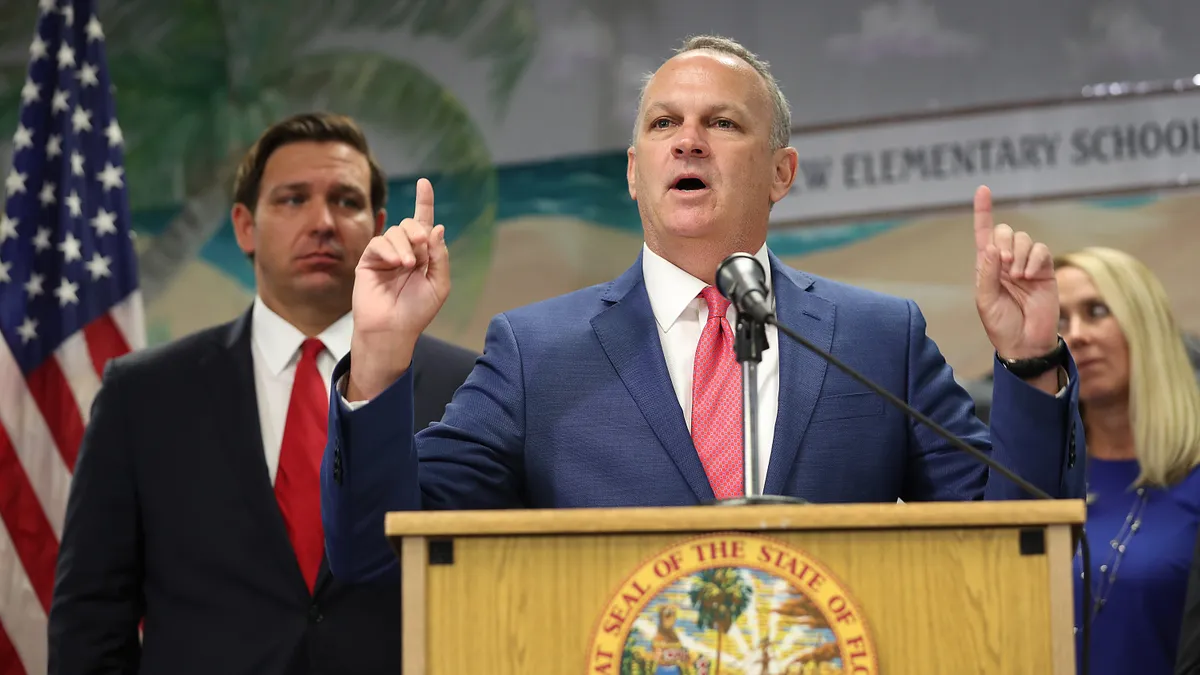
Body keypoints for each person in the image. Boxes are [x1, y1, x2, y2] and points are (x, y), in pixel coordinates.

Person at [320, 35, 1086, 585]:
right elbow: (374, 552)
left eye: (722, 123)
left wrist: (1028, 365)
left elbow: (1015, 542)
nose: (688, 141)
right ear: (632, 172)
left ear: (781, 171)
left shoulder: (879, 336)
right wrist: (381, 358)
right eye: (663, 124)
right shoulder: (535, 351)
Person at [48, 113, 478, 675]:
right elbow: (91, 613)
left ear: (377, 226)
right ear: (245, 226)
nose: (322, 221)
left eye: (345, 201)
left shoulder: (467, 386)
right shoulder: (142, 395)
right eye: (292, 200)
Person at [1051, 247, 1200, 675]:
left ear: (1146, 325)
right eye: (1060, 321)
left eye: (1096, 311)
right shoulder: (1042, 478)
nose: (1075, 334)